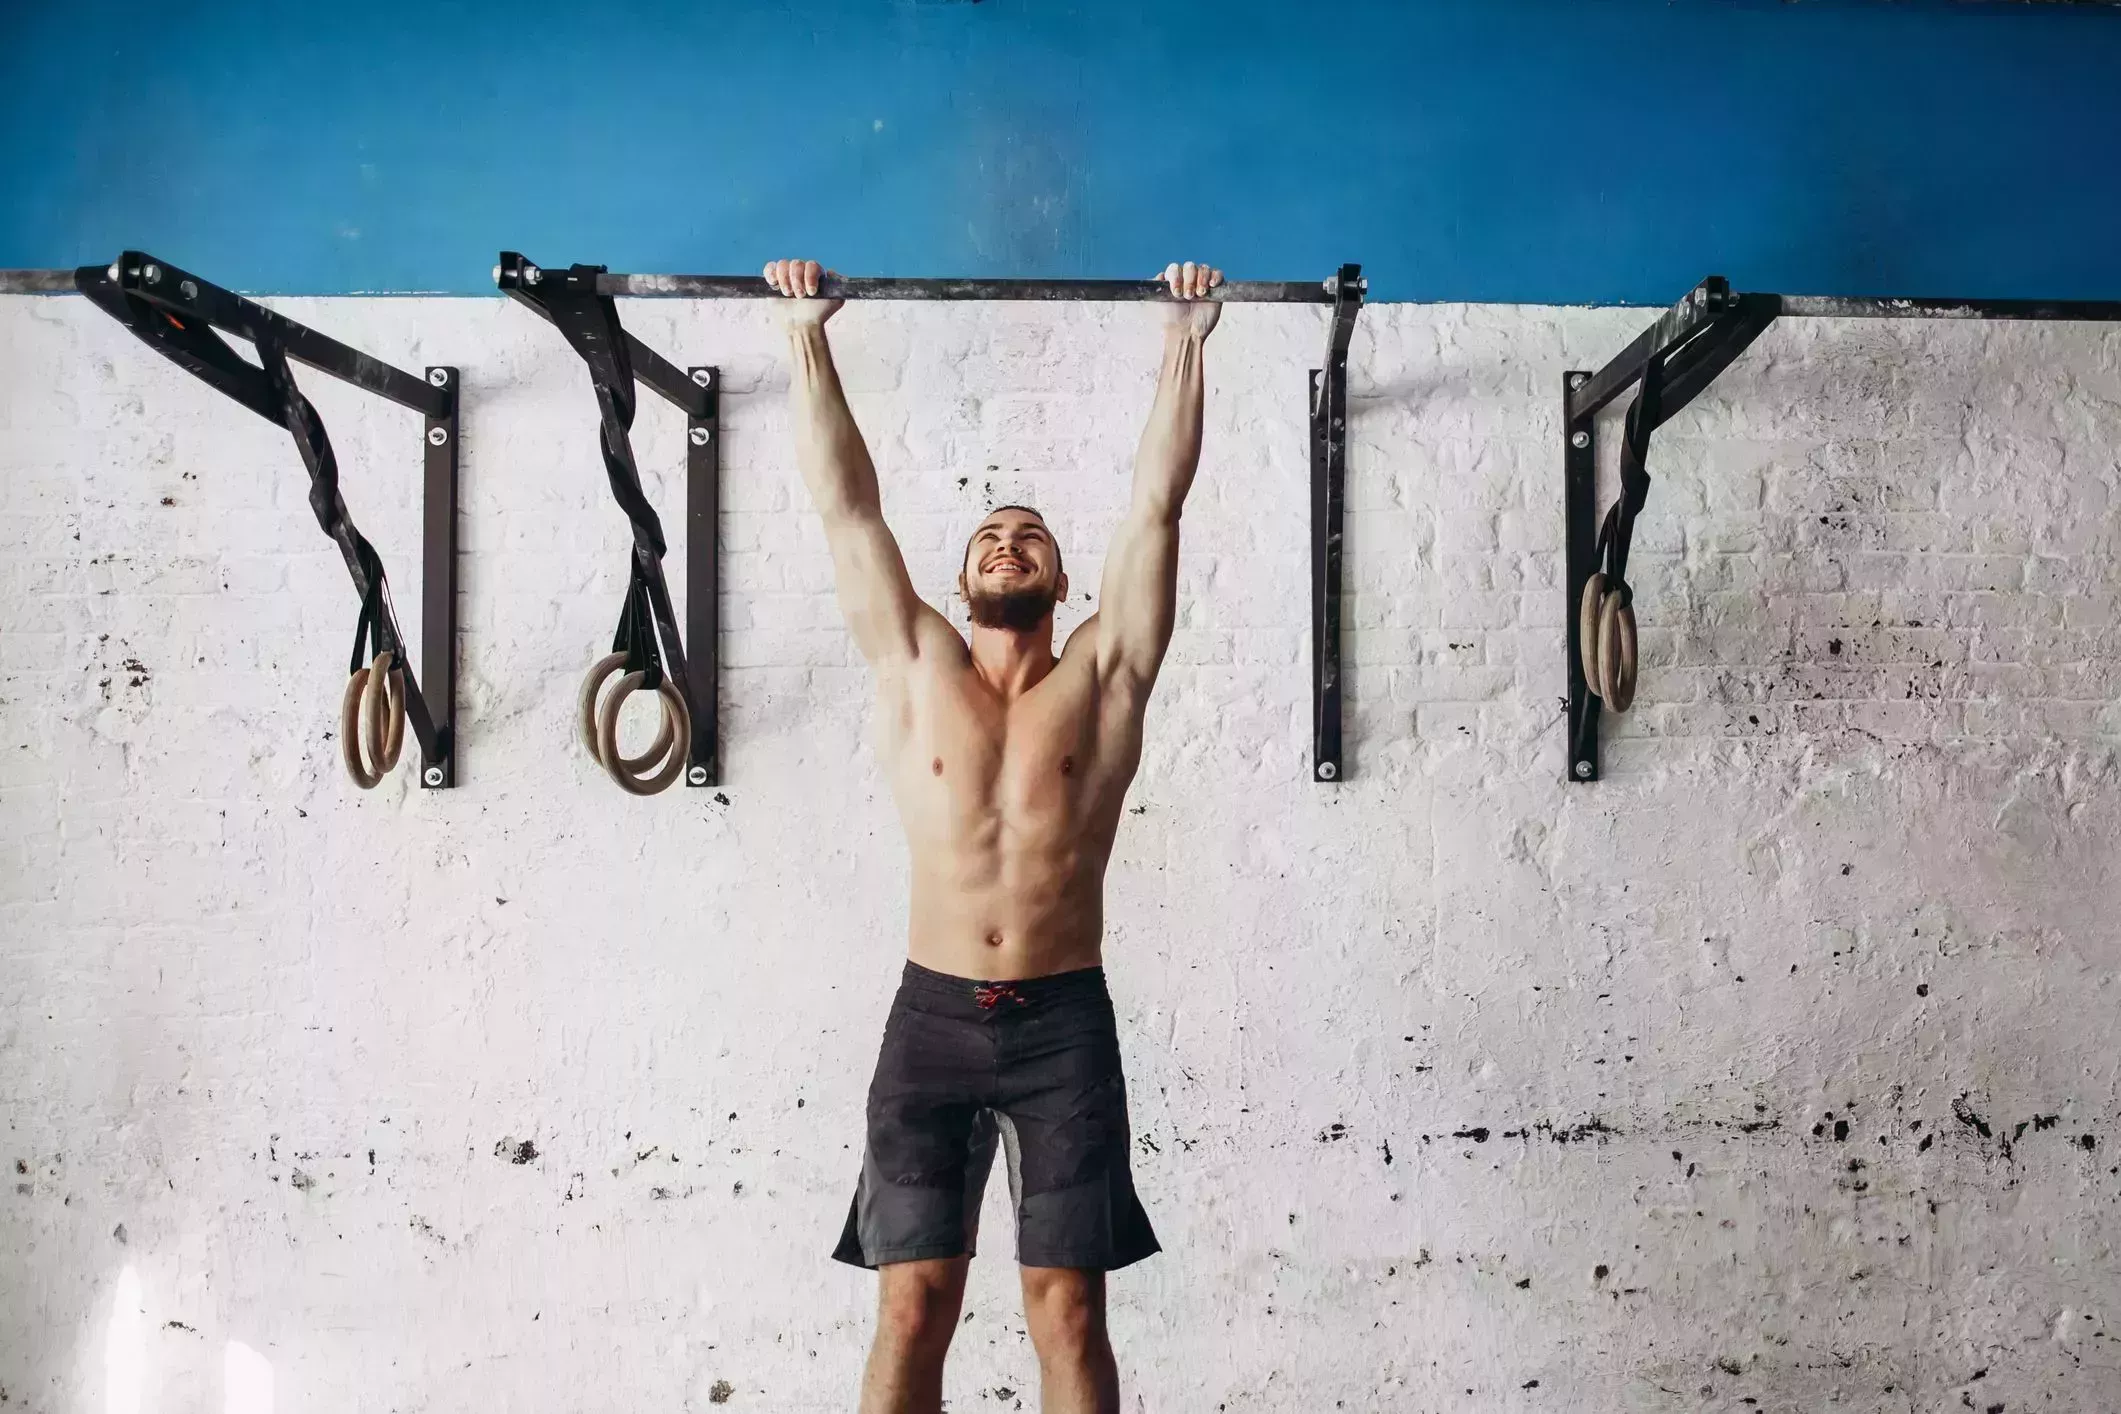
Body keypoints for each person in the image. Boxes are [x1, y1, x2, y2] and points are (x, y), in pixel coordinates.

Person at [765, 256, 1223, 1414]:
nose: (1007, 543)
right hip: (931, 1021)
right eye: (987, 534)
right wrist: (807, 338)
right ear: (963, 575)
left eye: (1029, 535)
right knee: (912, 1304)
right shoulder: (915, 666)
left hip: (1062, 1024)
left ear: (1065, 578)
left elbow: (1156, 507)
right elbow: (846, 506)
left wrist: (1185, 341)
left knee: (1067, 1312)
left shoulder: (1105, 677)